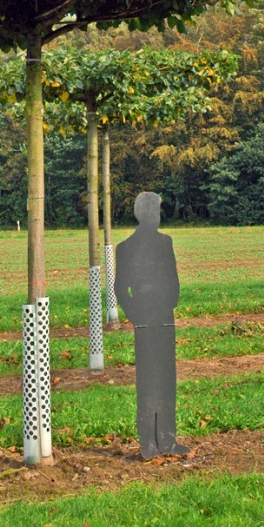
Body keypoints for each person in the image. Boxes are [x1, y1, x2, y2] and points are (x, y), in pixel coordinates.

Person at [115, 192, 189, 458]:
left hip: (151, 318)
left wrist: (137, 314)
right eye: (156, 211)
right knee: (160, 379)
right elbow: (172, 279)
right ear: (147, 214)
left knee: (151, 379)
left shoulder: (126, 247)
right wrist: (164, 306)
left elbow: (121, 289)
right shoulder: (158, 244)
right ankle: (159, 442)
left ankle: (154, 443)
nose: (158, 217)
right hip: (157, 317)